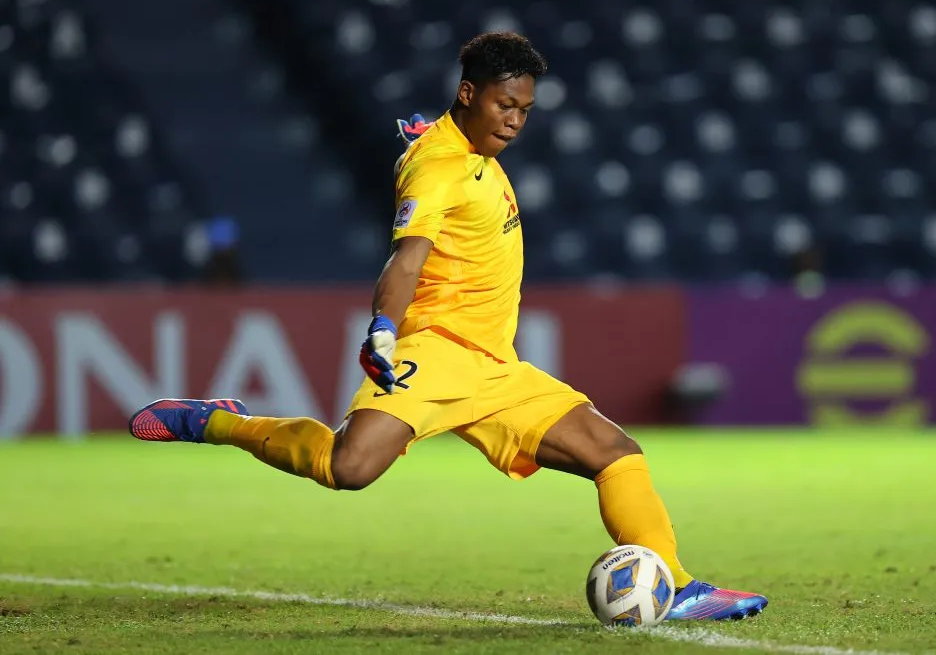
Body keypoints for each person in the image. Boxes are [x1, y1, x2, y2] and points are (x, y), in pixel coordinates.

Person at [128, 31, 767, 621]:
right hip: (433, 353)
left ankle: (679, 587)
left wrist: (432, 132)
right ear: (469, 94)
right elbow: (407, 257)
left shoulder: (465, 148)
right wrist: (383, 324)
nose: (514, 121)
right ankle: (218, 420)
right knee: (348, 468)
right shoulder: (436, 167)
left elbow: (442, 150)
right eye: (503, 106)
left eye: (524, 110)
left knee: (616, 453)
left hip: (494, 366)